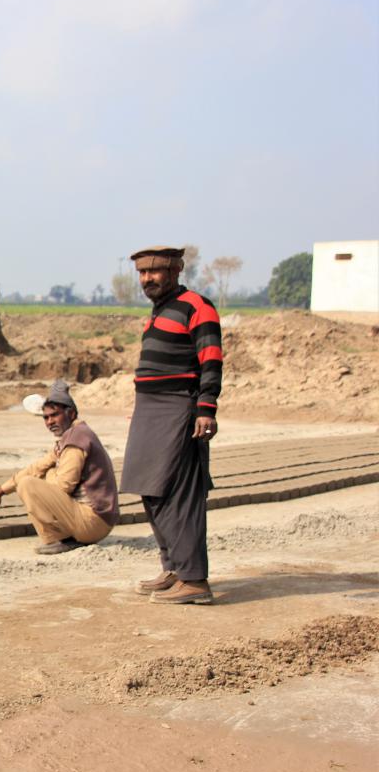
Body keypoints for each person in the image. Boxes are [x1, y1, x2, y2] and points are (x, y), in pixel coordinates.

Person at [119, 246, 222, 605]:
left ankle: (195, 580)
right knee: (151, 488)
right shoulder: (160, 310)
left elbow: (211, 359)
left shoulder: (198, 306)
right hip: (151, 409)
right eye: (142, 273)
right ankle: (175, 568)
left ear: (176, 269)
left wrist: (206, 409)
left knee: (180, 493)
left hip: (180, 407)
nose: (147, 279)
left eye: (155, 271)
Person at [0, 381, 119, 554]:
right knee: (38, 474)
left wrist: (49, 476)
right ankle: (61, 537)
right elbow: (36, 467)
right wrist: (0, 490)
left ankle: (63, 538)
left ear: (70, 413)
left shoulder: (75, 441)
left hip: (94, 522)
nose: (49, 422)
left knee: (28, 484)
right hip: (94, 520)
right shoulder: (72, 435)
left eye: (54, 415)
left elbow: (64, 486)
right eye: (46, 417)